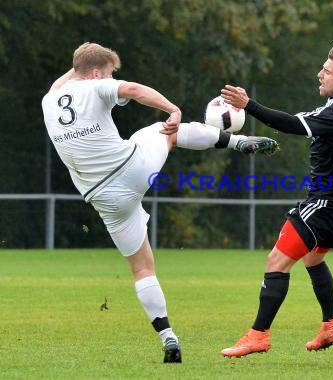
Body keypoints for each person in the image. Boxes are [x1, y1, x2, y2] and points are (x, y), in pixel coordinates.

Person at [41, 42, 279, 363]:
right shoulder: (98, 85)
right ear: (97, 73)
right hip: (129, 170)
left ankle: (168, 337)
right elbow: (136, 89)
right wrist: (173, 110)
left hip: (102, 197)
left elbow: (72, 74)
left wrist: (83, 58)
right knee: (167, 130)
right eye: (109, 72)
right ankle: (238, 141)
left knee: (141, 268)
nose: (112, 78)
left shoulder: (50, 99)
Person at [218, 42, 333, 358]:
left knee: (276, 260)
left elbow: (291, 124)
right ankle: (330, 325)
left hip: (328, 201)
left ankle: (258, 335)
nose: (319, 75)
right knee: (313, 259)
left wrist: (249, 105)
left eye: (326, 71)